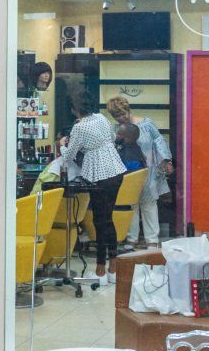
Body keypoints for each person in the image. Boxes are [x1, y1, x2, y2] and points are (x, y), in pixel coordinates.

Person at [66, 86, 129, 285]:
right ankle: (113, 264)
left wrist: (62, 144)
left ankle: (101, 268)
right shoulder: (101, 118)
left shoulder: (79, 127)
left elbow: (70, 155)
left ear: (75, 109)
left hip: (99, 175)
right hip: (116, 171)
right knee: (107, 218)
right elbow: (110, 138)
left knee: (100, 222)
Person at [107, 95, 170, 248]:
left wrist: (166, 160)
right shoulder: (115, 129)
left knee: (149, 203)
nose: (121, 118)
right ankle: (131, 238)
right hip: (127, 171)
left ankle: (152, 240)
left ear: (129, 110)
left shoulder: (147, 124)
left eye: (123, 114)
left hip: (148, 170)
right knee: (131, 204)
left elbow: (159, 140)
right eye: (117, 116)